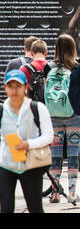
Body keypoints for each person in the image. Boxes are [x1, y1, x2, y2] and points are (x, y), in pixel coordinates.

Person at [0, 70, 54, 213]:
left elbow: (49, 135)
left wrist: (29, 144)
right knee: (5, 208)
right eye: (10, 86)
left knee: (35, 207)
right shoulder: (2, 110)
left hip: (30, 164)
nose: (14, 90)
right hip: (6, 165)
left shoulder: (37, 108)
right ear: (5, 88)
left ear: (26, 86)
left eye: (18, 86)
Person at [43, 34, 80, 204]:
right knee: (74, 155)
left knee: (55, 155)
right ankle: (72, 194)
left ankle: (55, 193)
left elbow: (47, 92)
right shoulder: (77, 66)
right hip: (74, 116)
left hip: (53, 117)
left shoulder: (48, 67)